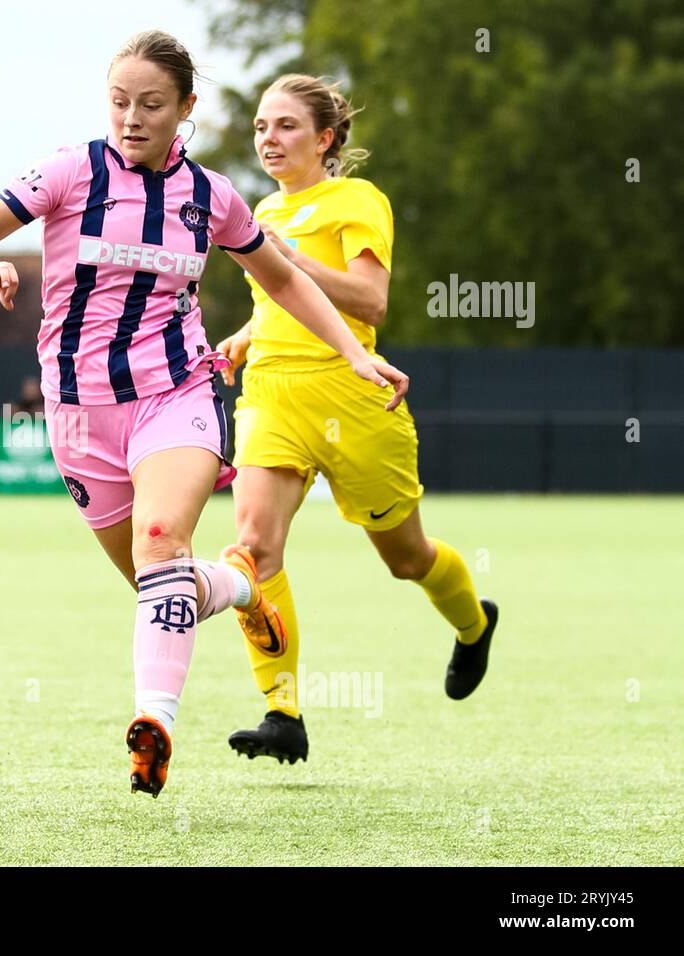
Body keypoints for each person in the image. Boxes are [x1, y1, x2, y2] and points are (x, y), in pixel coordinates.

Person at [0, 34, 407, 798]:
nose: (131, 118)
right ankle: (245, 588)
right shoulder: (69, 170)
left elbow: (284, 281)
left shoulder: (212, 196)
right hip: (79, 414)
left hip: (176, 394)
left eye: (151, 105)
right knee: (165, 593)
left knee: (161, 543)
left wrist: (354, 353)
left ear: (185, 109)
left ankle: (153, 728)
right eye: (119, 101)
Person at [216, 74, 499, 765]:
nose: (269, 139)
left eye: (285, 126)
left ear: (325, 138)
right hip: (274, 392)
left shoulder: (357, 200)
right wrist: (247, 336)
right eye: (260, 127)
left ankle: (473, 623)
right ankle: (282, 711)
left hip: (352, 393)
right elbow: (279, 299)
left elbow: (368, 302)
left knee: (408, 561)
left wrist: (285, 253)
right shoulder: (260, 208)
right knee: (253, 547)